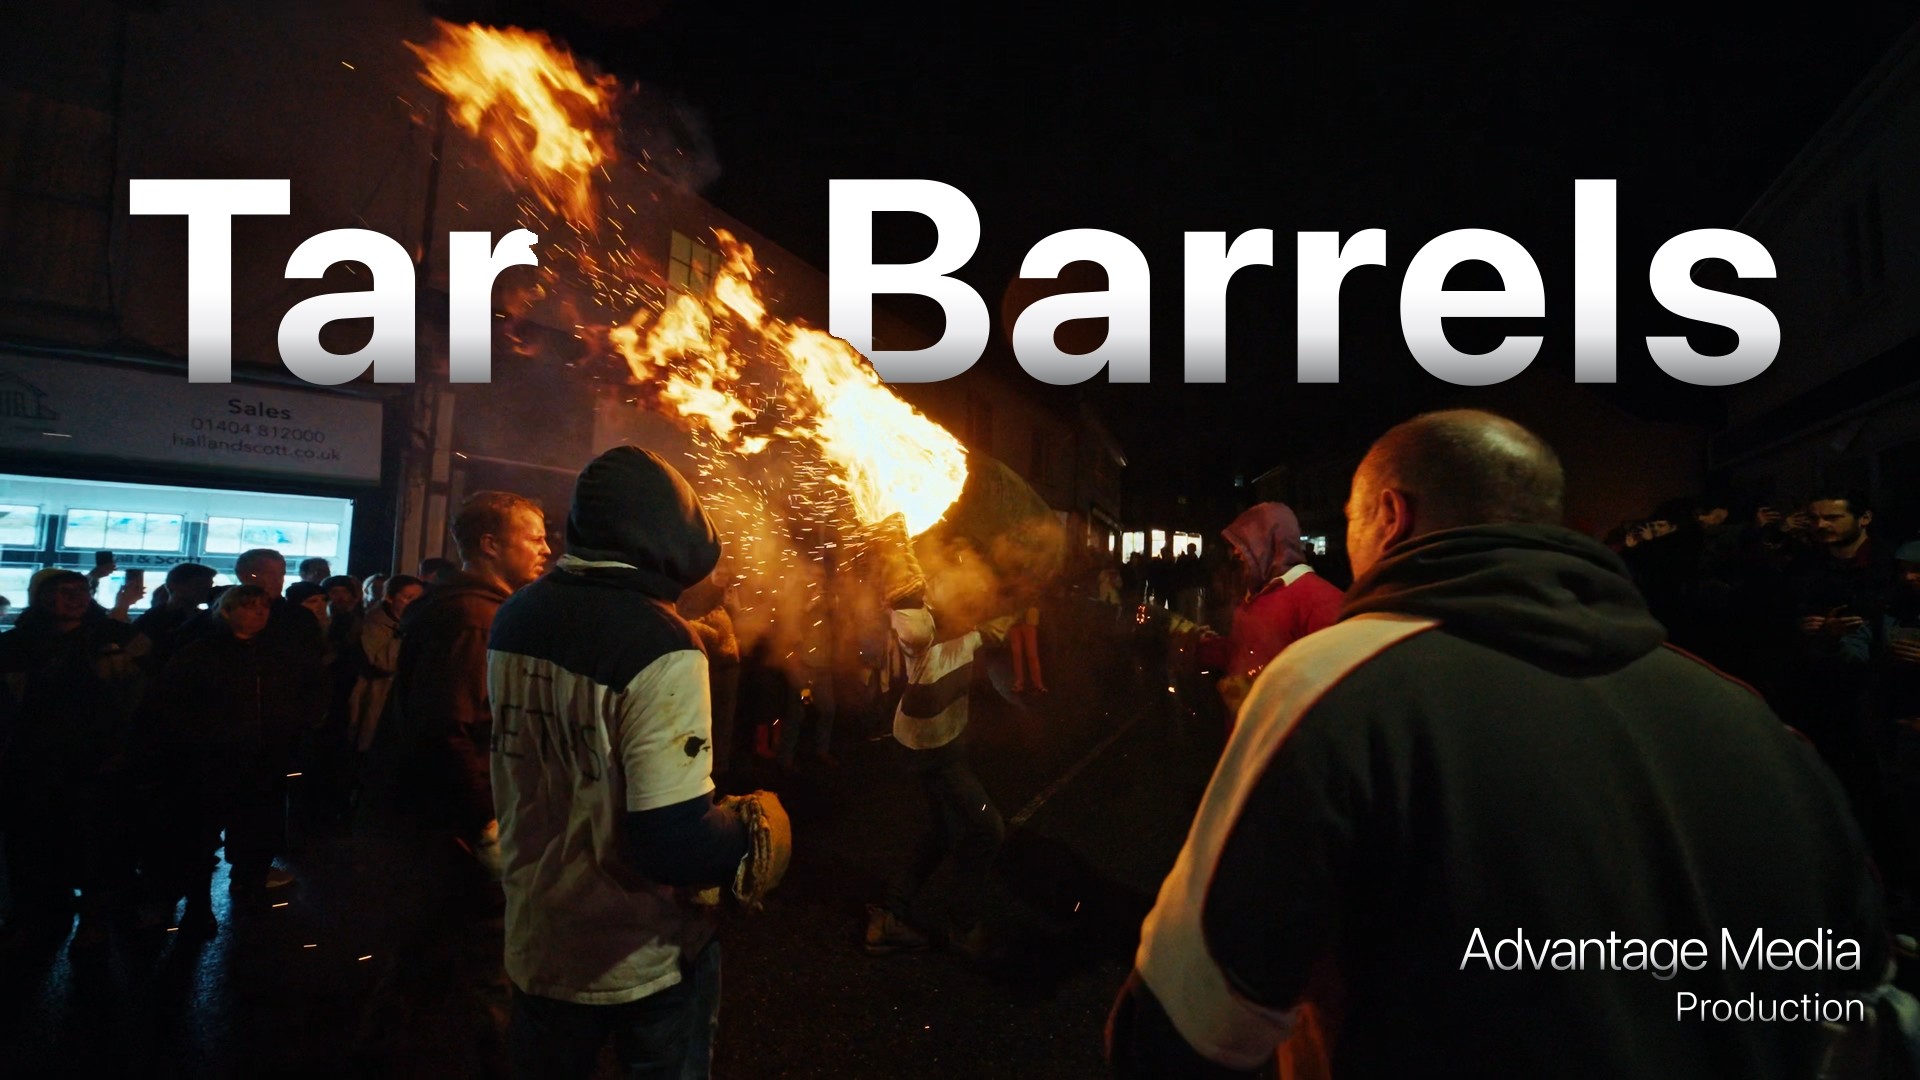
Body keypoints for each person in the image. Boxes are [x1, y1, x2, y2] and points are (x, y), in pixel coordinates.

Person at [1107, 410, 1892, 1079]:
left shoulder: (1340, 680)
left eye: (1349, 522)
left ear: (1390, 515)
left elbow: (1192, 1023)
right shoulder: (1746, 715)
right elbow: (1854, 1009)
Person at [488, 446, 788, 1078]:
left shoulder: (517, 612)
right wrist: (745, 829)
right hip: (638, 954)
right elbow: (670, 846)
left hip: (539, 937)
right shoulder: (659, 644)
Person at [353, 491, 549, 1076]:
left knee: (423, 953)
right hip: (451, 829)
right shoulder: (474, 617)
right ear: (490, 545)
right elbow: (448, 726)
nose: (546, 546)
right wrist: (488, 821)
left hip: (428, 826)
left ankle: (380, 1054)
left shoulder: (470, 609)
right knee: (495, 963)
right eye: (532, 536)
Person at [861, 514, 1017, 960]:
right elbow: (916, 626)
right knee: (988, 829)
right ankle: (963, 926)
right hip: (930, 745)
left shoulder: (951, 620)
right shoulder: (919, 624)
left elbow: (989, 625)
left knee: (944, 829)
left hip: (932, 738)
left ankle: (890, 915)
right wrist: (896, 556)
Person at [0, 570, 151, 947]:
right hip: (31, 760)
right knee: (33, 843)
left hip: (98, 760)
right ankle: (39, 915)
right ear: (40, 596)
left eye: (80, 590)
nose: (75, 598)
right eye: (63, 592)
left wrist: (127, 747)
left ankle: (91, 919)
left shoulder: (117, 639)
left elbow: (148, 695)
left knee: (96, 842)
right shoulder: (16, 644)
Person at [1196, 502, 1343, 725]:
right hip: (1249, 740)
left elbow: (1335, 693)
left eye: (1245, 544)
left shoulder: (1322, 601)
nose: (1236, 552)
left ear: (1272, 543)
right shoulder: (1256, 595)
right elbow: (1242, 654)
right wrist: (1201, 646)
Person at [346, 574, 423, 755]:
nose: (414, 604)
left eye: (419, 599)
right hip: (378, 700)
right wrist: (403, 635)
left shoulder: (415, 624)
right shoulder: (374, 624)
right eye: (408, 598)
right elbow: (381, 662)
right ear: (389, 598)